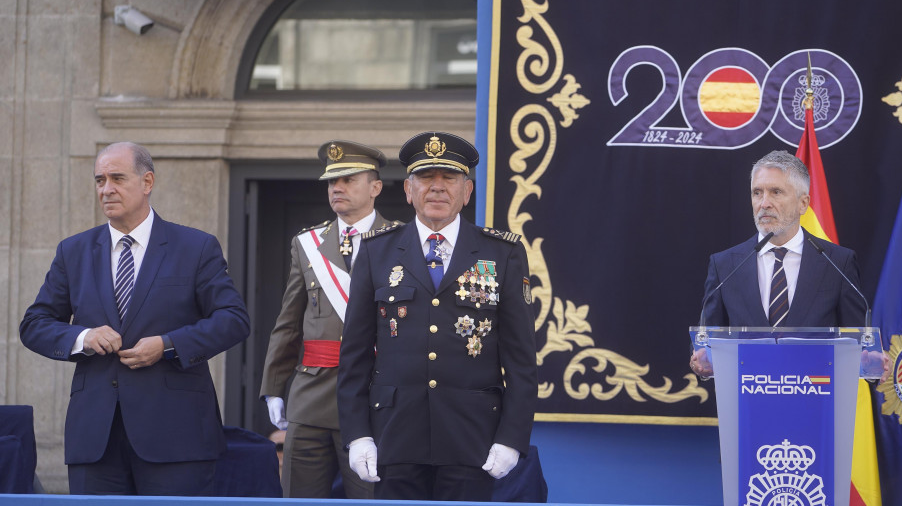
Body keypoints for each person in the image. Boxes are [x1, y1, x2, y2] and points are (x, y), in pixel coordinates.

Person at [20, 142, 250, 495]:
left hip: (176, 436)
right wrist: (82, 338)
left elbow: (233, 319)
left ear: (147, 182)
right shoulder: (74, 251)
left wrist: (168, 345)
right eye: (99, 180)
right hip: (96, 440)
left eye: (117, 178)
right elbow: (35, 324)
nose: (106, 189)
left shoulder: (195, 247)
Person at [337, 131, 538, 501]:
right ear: (409, 191)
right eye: (427, 178)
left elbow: (522, 360)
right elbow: (354, 355)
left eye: (449, 178)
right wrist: (357, 434)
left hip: (471, 437)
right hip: (394, 436)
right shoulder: (376, 251)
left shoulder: (501, 253)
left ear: (467, 192)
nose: (438, 188)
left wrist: (511, 438)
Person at [259, 140, 395, 499]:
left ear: (375, 187)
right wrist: (274, 386)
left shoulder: (401, 241)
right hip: (311, 396)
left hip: (374, 397)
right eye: (332, 181)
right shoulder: (307, 244)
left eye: (349, 179)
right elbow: (288, 321)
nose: (337, 188)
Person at [691, 150, 864, 376]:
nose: (764, 203)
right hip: (747, 402)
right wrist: (704, 360)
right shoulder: (725, 265)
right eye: (757, 193)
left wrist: (866, 357)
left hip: (816, 401)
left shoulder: (837, 262)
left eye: (776, 192)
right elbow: (708, 338)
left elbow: (858, 341)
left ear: (803, 204)